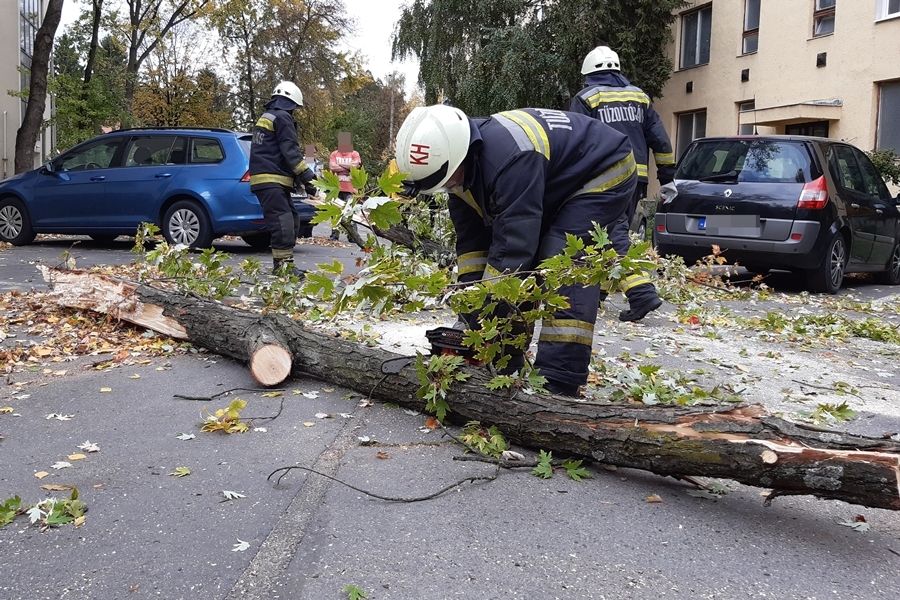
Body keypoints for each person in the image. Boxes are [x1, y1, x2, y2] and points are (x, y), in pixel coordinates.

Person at [395, 104, 656, 397]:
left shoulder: (511, 159)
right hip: (554, 179)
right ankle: (508, 364)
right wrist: (469, 313)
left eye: (449, 181)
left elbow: (513, 254)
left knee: (562, 263)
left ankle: (560, 380)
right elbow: (472, 247)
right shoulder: (460, 171)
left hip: (603, 169)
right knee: (519, 274)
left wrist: (484, 319)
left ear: (461, 155)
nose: (449, 188)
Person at [570, 45, 673, 319]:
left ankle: (641, 293)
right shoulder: (639, 97)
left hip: (602, 179)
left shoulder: (587, 97)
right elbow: (659, 140)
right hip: (635, 179)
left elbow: (576, 142)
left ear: (589, 74)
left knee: (611, 235)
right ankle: (599, 292)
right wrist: (668, 177)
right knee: (602, 235)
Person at [249, 81, 317, 275]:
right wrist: (308, 179)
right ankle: (282, 268)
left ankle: (284, 263)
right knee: (283, 222)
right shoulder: (283, 117)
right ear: (291, 103)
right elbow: (291, 153)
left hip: (268, 181)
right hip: (272, 180)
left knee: (292, 219)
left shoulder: (267, 116)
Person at [328, 132, 362, 241]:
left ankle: (352, 235)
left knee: (350, 212)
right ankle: (335, 234)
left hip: (351, 189)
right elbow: (332, 167)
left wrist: (341, 167)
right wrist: (347, 169)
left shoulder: (354, 154)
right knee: (335, 211)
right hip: (336, 188)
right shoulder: (334, 154)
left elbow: (355, 166)